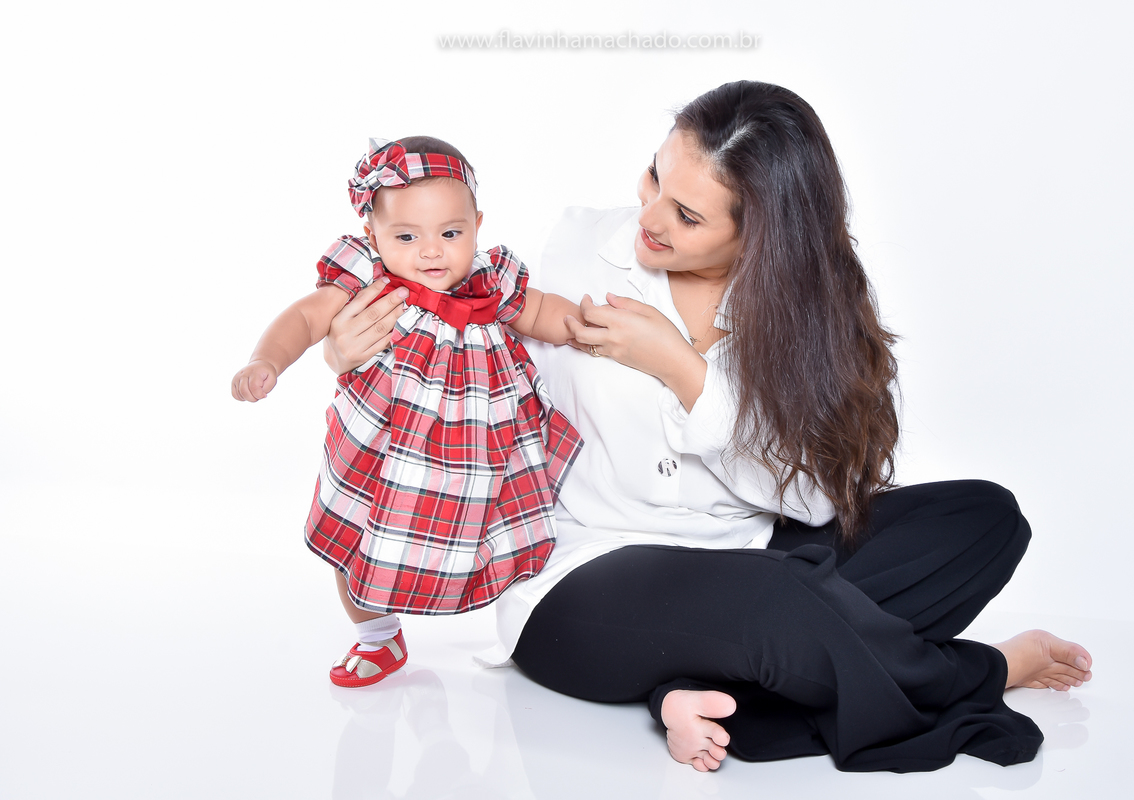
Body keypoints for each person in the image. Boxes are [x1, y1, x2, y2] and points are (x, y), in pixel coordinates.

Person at [322, 83, 1093, 772]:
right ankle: (981, 671)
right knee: (779, 600)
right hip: (583, 572)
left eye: (687, 216)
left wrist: (683, 371)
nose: (649, 217)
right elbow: (450, 340)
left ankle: (700, 689)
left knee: (983, 517)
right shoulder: (580, 247)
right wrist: (350, 351)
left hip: (752, 552)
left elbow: (813, 502)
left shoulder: (809, 313)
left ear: (764, 236)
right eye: (655, 177)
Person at [231, 137, 583, 688]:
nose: (431, 253)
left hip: (479, 451)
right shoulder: (369, 278)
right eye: (406, 236)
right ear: (372, 235)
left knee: (498, 532)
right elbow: (305, 317)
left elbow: (538, 311)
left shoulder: (490, 280)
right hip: (384, 444)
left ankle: (524, 621)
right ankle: (377, 636)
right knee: (354, 538)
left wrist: (585, 328)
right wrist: (266, 360)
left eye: (450, 233)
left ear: (476, 225)